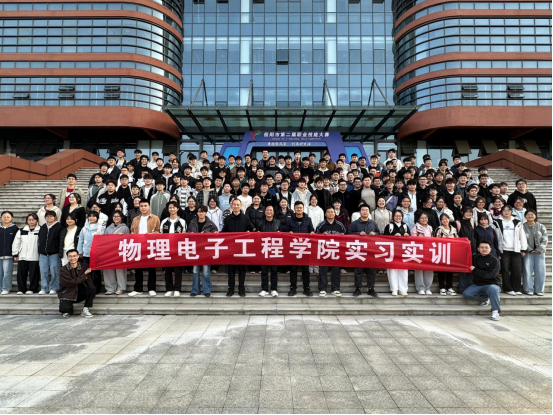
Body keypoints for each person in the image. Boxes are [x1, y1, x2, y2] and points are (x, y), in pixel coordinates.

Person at [128, 199, 161, 297]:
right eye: (141, 206)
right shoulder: (135, 219)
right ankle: (138, 288)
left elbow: (159, 232)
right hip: (138, 246)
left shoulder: (155, 218)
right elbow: (132, 231)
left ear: (149, 207)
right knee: (138, 269)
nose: (143, 208)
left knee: (151, 269)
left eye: (145, 206)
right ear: (139, 207)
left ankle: (151, 288)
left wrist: (151, 235)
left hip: (150, 246)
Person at [222, 199, 254, 297]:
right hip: (231, 248)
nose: (236, 206)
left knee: (241, 269)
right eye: (234, 204)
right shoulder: (227, 219)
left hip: (241, 248)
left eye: (238, 205)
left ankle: (241, 289)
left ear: (240, 206)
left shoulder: (245, 218)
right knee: (231, 270)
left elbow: (251, 228)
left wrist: (251, 231)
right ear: (232, 205)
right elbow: (223, 232)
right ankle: (231, 289)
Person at [463, 241, 502, 321]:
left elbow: (490, 275)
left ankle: (495, 311)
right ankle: (485, 298)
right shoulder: (475, 258)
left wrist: (475, 270)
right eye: (482, 247)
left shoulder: (495, 260)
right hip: (478, 284)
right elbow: (464, 256)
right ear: (478, 249)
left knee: (494, 289)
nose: (484, 249)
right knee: (466, 294)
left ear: (490, 249)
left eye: (486, 247)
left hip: (492, 284)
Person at [495, 205, 528, 296]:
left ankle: (516, 288)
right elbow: (495, 237)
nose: (506, 212)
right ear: (501, 212)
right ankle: (507, 289)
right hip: (503, 249)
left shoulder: (517, 222)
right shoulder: (497, 222)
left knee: (516, 269)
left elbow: (522, 236)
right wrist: (497, 251)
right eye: (504, 210)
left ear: (511, 212)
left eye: (508, 210)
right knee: (505, 269)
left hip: (516, 249)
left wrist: (523, 249)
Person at [348, 205, 381, 297]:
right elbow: (349, 234)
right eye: (363, 210)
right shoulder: (354, 224)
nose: (365, 212)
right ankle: (357, 288)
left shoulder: (373, 223)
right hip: (358, 251)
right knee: (358, 270)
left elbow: (379, 234)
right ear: (359, 212)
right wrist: (358, 234)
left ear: (369, 212)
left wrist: (375, 233)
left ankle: (371, 288)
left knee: (372, 270)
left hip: (371, 250)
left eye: (366, 210)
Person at [284, 202, 315, 297]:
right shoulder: (289, 220)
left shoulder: (308, 219)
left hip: (304, 248)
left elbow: (312, 230)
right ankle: (293, 288)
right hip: (293, 248)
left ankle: (307, 288)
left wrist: (312, 233)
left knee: (305, 269)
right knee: (293, 269)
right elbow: (285, 232)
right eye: (297, 208)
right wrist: (288, 233)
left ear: (303, 209)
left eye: (300, 208)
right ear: (294, 209)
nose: (299, 209)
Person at [316, 206, 347, 297]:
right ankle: (322, 289)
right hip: (324, 250)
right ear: (325, 214)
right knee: (323, 270)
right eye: (328, 212)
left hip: (336, 251)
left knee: (336, 270)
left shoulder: (340, 224)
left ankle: (335, 289)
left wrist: (343, 235)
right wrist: (321, 235)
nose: (330, 213)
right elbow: (315, 235)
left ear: (334, 214)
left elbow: (346, 235)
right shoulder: (321, 224)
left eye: (332, 212)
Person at [188, 205, 219, 297]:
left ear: (206, 213)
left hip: (206, 250)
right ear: (197, 213)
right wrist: (191, 234)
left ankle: (207, 290)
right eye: (199, 212)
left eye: (202, 212)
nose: (201, 213)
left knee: (206, 270)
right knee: (195, 270)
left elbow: (216, 233)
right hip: (195, 249)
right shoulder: (192, 222)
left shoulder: (210, 224)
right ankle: (195, 290)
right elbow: (187, 232)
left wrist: (207, 234)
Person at [160, 201, 187, 297]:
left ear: (177, 209)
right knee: (167, 270)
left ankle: (177, 289)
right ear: (168, 209)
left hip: (178, 249)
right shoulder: (164, 221)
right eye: (170, 208)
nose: (172, 209)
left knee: (178, 270)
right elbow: (160, 235)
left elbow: (185, 235)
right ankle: (169, 289)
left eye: (174, 207)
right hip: (166, 248)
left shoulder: (182, 221)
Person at [58, 249, 95, 318]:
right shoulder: (63, 269)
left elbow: (94, 265)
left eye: (74, 256)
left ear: (78, 256)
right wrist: (84, 274)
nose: (72, 258)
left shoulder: (84, 266)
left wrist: (92, 252)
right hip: (68, 294)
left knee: (91, 288)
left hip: (81, 292)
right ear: (67, 257)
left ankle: (85, 309)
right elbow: (72, 282)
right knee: (65, 310)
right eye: (70, 256)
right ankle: (69, 307)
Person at [384, 210, 411, 296]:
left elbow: (410, 239)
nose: (398, 218)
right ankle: (394, 289)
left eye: (400, 216)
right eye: (396, 216)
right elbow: (384, 238)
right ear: (393, 217)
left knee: (403, 270)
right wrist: (393, 236)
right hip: (392, 251)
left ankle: (403, 289)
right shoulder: (389, 226)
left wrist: (407, 236)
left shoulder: (405, 226)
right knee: (392, 270)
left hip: (403, 251)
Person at [13, 213, 41, 295]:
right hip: (22, 255)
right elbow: (16, 243)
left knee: (34, 274)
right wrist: (15, 253)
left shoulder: (40, 230)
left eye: (33, 219)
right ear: (27, 221)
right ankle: (21, 289)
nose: (31, 221)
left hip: (35, 255)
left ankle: (32, 289)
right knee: (21, 274)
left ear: (37, 220)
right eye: (29, 220)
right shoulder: (21, 230)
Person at [77, 211, 105, 294]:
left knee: (96, 272)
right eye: (90, 216)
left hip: (96, 254)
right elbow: (80, 240)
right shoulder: (84, 228)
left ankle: (96, 289)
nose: (92, 218)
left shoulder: (101, 228)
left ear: (97, 217)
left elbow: (104, 241)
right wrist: (80, 251)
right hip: (86, 253)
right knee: (87, 271)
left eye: (94, 216)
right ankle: (88, 288)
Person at [523, 210, 548, 296]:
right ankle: (528, 289)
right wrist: (529, 249)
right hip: (527, 252)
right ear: (525, 216)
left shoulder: (541, 226)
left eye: (532, 214)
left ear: (535, 216)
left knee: (540, 271)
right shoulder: (522, 226)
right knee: (527, 271)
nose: (530, 216)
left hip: (540, 253)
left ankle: (539, 290)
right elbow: (521, 239)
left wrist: (539, 249)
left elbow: (545, 239)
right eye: (528, 214)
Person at [104, 211, 130, 296]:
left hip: (120, 251)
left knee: (120, 270)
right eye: (114, 216)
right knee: (109, 270)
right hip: (109, 251)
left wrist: (123, 236)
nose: (116, 218)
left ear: (121, 217)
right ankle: (110, 288)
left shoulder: (125, 228)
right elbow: (104, 240)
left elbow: (129, 240)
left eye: (118, 216)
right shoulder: (108, 228)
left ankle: (121, 288)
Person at [258, 205, 282, 298]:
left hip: (274, 249)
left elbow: (282, 234)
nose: (269, 212)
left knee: (274, 270)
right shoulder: (260, 223)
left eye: (271, 210)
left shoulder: (278, 222)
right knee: (264, 270)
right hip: (264, 248)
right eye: (267, 210)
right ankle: (264, 289)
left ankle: (273, 289)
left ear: (273, 212)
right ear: (265, 212)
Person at [38, 210, 63, 295]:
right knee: (43, 271)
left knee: (54, 271)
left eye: (51, 216)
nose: (49, 218)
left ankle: (54, 287)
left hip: (54, 253)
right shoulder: (43, 227)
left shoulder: (59, 227)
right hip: (43, 253)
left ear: (55, 217)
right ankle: (44, 288)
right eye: (47, 216)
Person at [434, 214, 459, 296]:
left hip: (451, 253)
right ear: (440, 221)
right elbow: (435, 240)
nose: (445, 220)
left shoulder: (454, 230)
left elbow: (458, 240)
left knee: (450, 271)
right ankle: (442, 287)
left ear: (449, 219)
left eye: (446, 219)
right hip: (441, 252)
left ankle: (449, 287)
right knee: (441, 271)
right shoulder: (439, 229)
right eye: (443, 219)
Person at [411, 213, 434, 295]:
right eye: (422, 218)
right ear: (418, 219)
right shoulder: (415, 228)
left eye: (425, 218)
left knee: (429, 269)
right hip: (419, 251)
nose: (424, 219)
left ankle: (428, 288)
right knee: (419, 270)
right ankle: (420, 288)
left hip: (429, 251)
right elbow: (413, 239)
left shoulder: (430, 227)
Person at [456, 207, 477, 293]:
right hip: (462, 249)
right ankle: (463, 288)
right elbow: (456, 236)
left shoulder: (472, 223)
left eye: (470, 212)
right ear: (462, 213)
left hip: (472, 248)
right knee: (463, 269)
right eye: (466, 212)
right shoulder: (457, 223)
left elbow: (474, 235)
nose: (468, 214)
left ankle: (470, 288)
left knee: (471, 268)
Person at [0, 211, 18, 295]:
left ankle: (6, 288)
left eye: (8, 217)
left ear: (12, 218)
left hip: (9, 254)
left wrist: (15, 253)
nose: (6, 218)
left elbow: (17, 242)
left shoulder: (14, 228)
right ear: (1, 218)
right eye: (4, 217)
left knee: (7, 272)